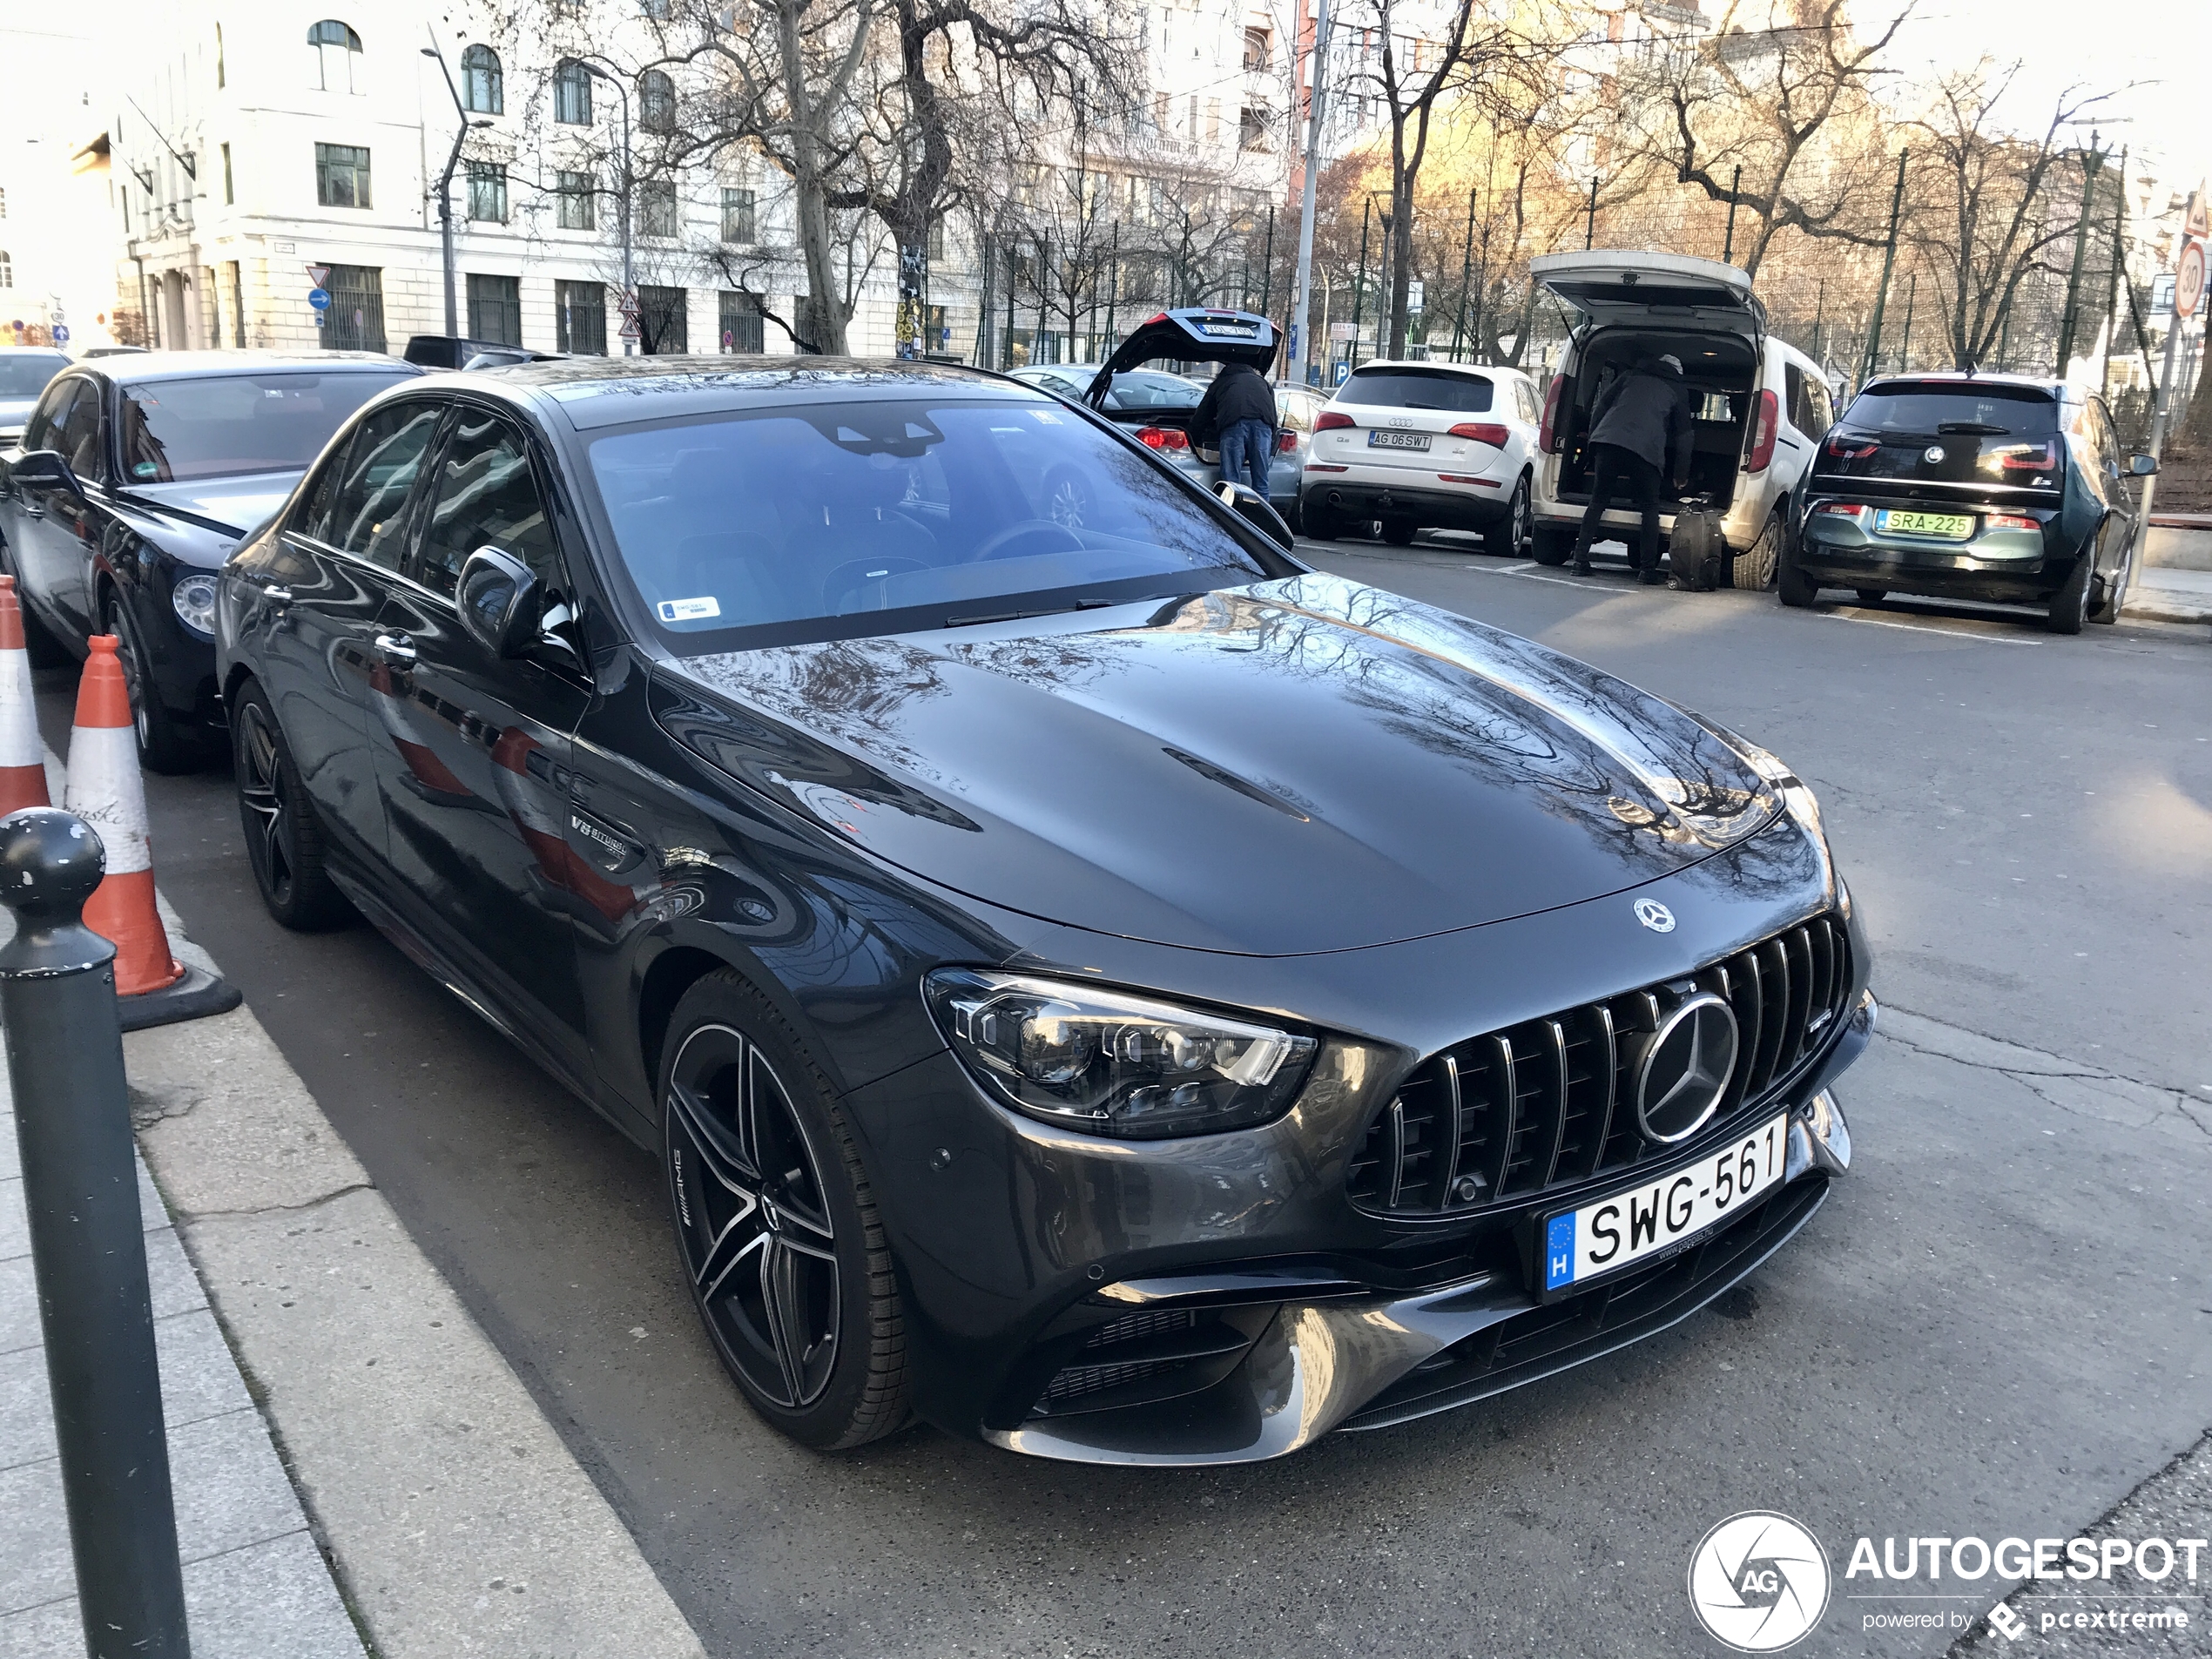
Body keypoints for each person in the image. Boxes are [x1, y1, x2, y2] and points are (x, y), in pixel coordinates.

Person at [1568, 353, 1694, 583]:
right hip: (1645, 450)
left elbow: (1601, 407)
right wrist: (1680, 475)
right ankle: (1646, 571)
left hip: (1608, 442)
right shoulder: (1677, 388)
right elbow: (1685, 435)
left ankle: (1579, 561)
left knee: (1597, 500)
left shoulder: (1629, 376)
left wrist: (1592, 444)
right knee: (1649, 507)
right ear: (1677, 373)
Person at [1192, 361, 1278, 496]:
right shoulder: (1263, 383)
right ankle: (1261, 517)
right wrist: (1272, 437)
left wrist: (1193, 435)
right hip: (1263, 428)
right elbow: (1273, 414)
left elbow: (1203, 414)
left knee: (1231, 483)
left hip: (1234, 425)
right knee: (1261, 482)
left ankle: (1231, 515)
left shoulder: (1222, 382)